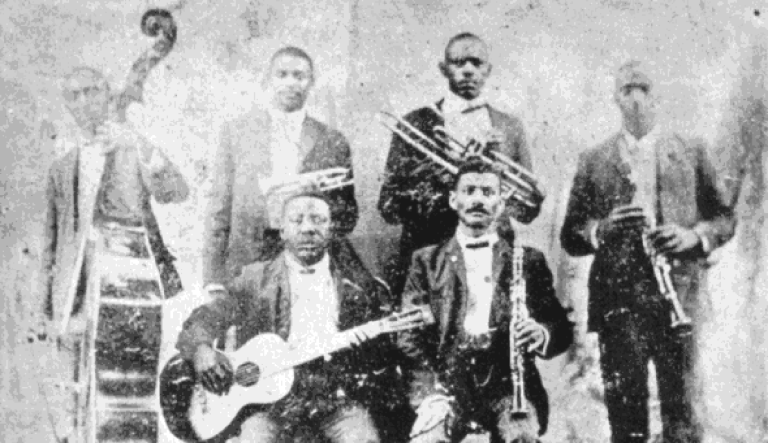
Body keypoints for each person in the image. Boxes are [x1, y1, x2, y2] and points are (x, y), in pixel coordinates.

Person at [559, 61, 736, 443]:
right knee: (626, 418)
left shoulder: (692, 150)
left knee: (683, 413)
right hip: (619, 307)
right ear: (615, 98)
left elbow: (723, 218)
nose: (637, 99)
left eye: (645, 89)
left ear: (659, 96)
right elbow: (571, 234)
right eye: (628, 90)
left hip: (679, 300)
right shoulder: (594, 159)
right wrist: (599, 230)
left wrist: (694, 237)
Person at [33, 66, 189, 440]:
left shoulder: (132, 145)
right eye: (74, 96)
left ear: (108, 93)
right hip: (75, 295)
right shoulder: (62, 168)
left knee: (126, 392)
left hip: (125, 285)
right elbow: (50, 246)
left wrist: (137, 145)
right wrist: (44, 310)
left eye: (92, 91)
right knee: (78, 397)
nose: (84, 102)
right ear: (67, 105)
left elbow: (177, 191)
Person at [177, 190, 398, 443]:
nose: (308, 229)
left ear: (331, 229)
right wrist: (202, 350)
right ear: (281, 230)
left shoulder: (355, 286)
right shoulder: (255, 279)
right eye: (297, 220)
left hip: (333, 402)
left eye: (318, 220)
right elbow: (206, 318)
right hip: (269, 407)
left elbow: (379, 359)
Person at [398, 158, 572, 443]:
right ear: (453, 200)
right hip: (446, 384)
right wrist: (431, 394)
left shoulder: (528, 260)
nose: (478, 199)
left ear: (501, 204)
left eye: (488, 192)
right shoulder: (426, 261)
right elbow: (409, 337)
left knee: (523, 439)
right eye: (469, 191)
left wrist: (540, 333)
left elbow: (560, 328)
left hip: (508, 387)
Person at [378, 32, 541, 299]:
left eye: (476, 63)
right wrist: (450, 183)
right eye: (458, 63)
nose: (467, 71)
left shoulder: (510, 127)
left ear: (488, 70)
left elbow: (526, 211)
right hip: (430, 255)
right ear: (444, 69)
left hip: (493, 257)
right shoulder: (414, 123)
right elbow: (388, 207)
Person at [203, 46, 359, 288]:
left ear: (311, 83)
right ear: (268, 79)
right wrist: (212, 279)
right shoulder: (237, 132)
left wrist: (319, 198)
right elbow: (218, 211)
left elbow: (348, 218)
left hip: (307, 262)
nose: (291, 83)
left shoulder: (332, 140)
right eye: (282, 75)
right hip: (248, 259)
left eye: (299, 76)